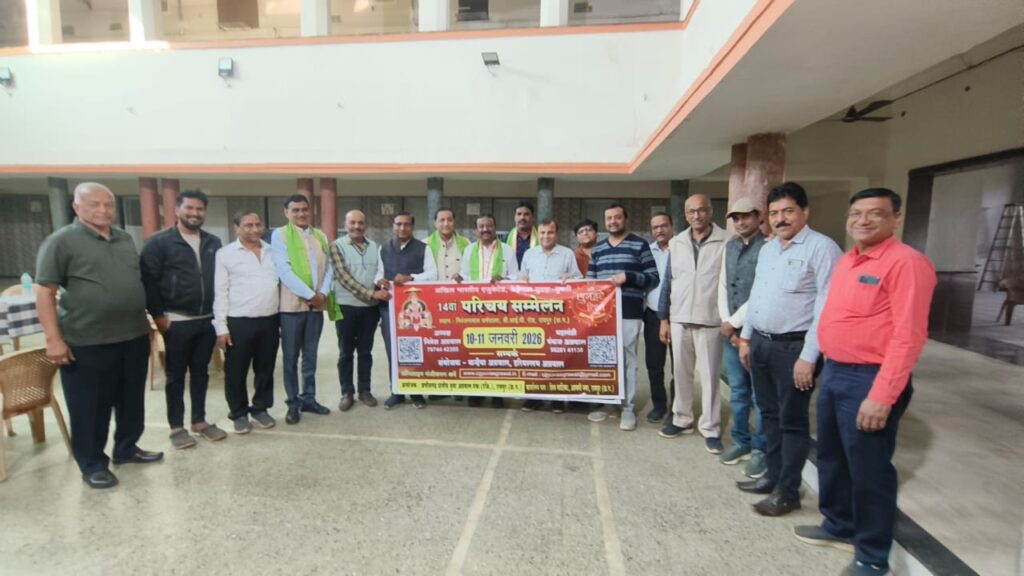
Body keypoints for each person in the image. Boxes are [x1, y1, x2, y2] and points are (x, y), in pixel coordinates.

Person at [795, 189, 936, 576]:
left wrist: (883, 395)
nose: (863, 220)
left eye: (875, 213)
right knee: (832, 456)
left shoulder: (906, 263)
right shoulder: (848, 260)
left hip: (870, 378)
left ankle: (872, 556)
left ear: (896, 219)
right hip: (836, 371)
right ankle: (839, 525)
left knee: (869, 469)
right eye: (856, 213)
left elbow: (909, 337)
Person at [35, 183, 162, 489]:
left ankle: (126, 448)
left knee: (131, 400)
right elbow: (45, 291)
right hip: (87, 340)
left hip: (132, 335)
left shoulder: (123, 238)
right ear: (76, 207)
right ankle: (92, 463)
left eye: (108, 204)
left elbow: (133, 282)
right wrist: (54, 339)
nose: (103, 210)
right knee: (90, 406)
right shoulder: (61, 241)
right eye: (94, 204)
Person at [737, 182, 843, 517]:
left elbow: (826, 306)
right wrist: (746, 338)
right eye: (774, 213)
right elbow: (757, 295)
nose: (780, 219)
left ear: (805, 211)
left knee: (792, 421)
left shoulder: (822, 249)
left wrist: (809, 356)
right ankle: (773, 476)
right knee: (768, 415)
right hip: (761, 344)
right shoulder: (769, 249)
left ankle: (788, 491)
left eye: (788, 211)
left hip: (794, 349)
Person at [140, 189, 227, 450]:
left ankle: (199, 421)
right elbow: (148, 282)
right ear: (177, 210)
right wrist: (159, 317)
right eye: (189, 208)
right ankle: (176, 426)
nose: (194, 213)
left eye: (199, 209)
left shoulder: (213, 242)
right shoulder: (158, 243)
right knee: (176, 375)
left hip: (206, 319)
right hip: (176, 320)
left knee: (201, 372)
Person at [657, 195, 729, 454]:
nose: (696, 215)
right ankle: (682, 418)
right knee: (681, 373)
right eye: (691, 211)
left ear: (710, 212)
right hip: (679, 318)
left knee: (709, 377)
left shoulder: (726, 241)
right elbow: (668, 282)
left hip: (710, 319)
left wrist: (728, 319)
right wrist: (664, 319)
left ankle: (710, 427)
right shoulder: (676, 242)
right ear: (685, 215)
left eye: (701, 210)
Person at [587, 203, 659, 431]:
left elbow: (653, 277)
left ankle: (628, 407)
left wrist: (628, 276)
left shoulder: (639, 244)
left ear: (625, 219)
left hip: (629, 310)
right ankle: (609, 402)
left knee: (628, 359)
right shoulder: (598, 249)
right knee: (605, 359)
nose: (613, 222)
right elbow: (590, 281)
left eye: (617, 217)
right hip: (602, 315)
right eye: (609, 218)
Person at [270, 194, 337, 425]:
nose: (301, 214)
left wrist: (323, 294)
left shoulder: (320, 236)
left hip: (316, 308)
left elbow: (329, 269)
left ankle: (309, 398)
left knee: (310, 356)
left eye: (304, 210)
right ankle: (293, 403)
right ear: (286, 213)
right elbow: (284, 270)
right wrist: (311, 295)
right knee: (290, 358)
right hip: (291, 308)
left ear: (310, 211)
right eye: (295, 210)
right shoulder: (279, 235)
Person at [213, 210, 281, 434]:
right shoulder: (225, 254)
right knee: (236, 370)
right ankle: (239, 413)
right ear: (237, 228)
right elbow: (220, 292)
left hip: (270, 320)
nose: (255, 229)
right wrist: (221, 327)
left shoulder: (273, 251)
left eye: (258, 224)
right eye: (248, 225)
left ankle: (260, 408)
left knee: (265, 368)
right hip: (239, 322)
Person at [716, 198, 769, 478]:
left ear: (759, 217)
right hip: (731, 331)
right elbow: (723, 285)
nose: (740, 222)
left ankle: (760, 449)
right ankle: (741, 441)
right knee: (738, 392)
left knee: (760, 395)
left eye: (745, 216)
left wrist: (733, 322)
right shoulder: (731, 246)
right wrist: (727, 322)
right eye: (735, 218)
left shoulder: (769, 248)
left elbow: (762, 290)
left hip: (757, 332)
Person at [518, 218, 582, 414]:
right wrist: (522, 280)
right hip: (533, 314)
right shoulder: (529, 254)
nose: (546, 236)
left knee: (556, 355)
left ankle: (556, 397)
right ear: (538, 234)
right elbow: (520, 279)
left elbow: (579, 278)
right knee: (533, 354)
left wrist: (571, 278)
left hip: (558, 315)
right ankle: (534, 397)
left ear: (557, 234)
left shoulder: (567, 254)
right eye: (543, 232)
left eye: (550, 232)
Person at [330, 210, 391, 412]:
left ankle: (364, 391)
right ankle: (346, 392)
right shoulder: (337, 246)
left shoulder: (375, 247)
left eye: (361, 223)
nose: (357, 226)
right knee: (345, 353)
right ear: (345, 224)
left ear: (366, 225)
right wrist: (371, 293)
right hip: (346, 307)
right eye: (352, 223)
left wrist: (382, 283)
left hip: (370, 310)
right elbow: (343, 277)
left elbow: (380, 273)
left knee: (365, 352)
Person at [376, 211, 437, 409]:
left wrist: (411, 278)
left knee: (414, 348)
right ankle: (396, 391)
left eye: (406, 224)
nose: (402, 228)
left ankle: (416, 392)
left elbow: (432, 274)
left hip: (414, 309)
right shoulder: (384, 248)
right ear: (393, 226)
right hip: (389, 308)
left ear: (413, 227)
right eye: (398, 224)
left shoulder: (423, 248)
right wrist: (379, 281)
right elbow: (379, 272)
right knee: (392, 349)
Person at [458, 213, 519, 408]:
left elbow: (516, 276)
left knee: (498, 352)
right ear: (477, 230)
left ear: (495, 227)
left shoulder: (507, 250)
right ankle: (477, 391)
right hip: (474, 309)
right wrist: (459, 279)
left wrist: (504, 279)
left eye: (489, 226)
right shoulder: (469, 250)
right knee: (475, 351)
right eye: (481, 226)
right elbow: (465, 275)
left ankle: (497, 393)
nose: (485, 229)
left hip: (498, 309)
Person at [644, 212, 673, 424]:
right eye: (655, 227)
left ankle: (677, 408)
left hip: (678, 315)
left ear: (671, 227)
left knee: (679, 366)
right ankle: (659, 405)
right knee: (654, 364)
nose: (659, 230)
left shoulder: (681, 249)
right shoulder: (647, 251)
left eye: (663, 226)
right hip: (653, 314)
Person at [426, 208, 470, 281]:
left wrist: (462, 277)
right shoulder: (426, 244)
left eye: (449, 220)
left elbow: (470, 271)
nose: (446, 224)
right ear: (435, 223)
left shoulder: (466, 243)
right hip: (434, 288)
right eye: (442, 220)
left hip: (458, 287)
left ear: (454, 222)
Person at [506, 200, 538, 267]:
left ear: (532, 217)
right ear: (514, 217)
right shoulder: (505, 238)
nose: (522, 217)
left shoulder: (541, 238)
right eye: (519, 214)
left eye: (526, 214)